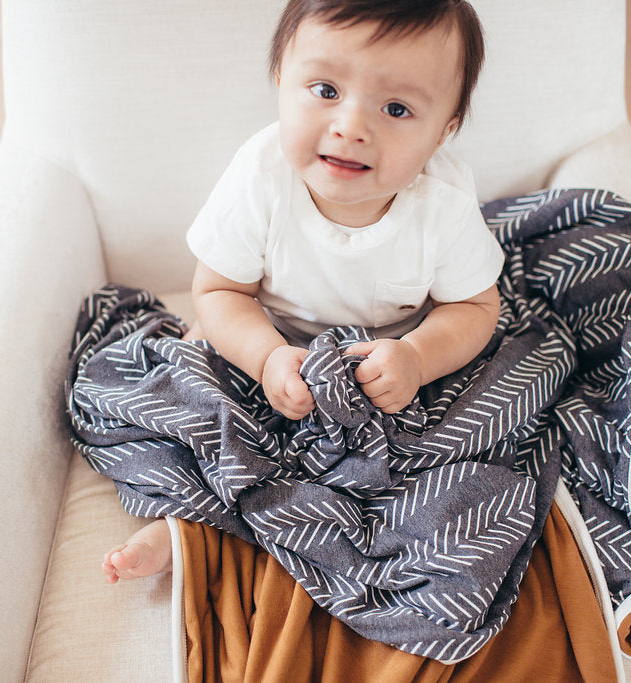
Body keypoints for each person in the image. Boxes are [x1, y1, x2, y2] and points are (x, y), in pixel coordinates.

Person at [103, 0, 503, 583]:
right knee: (188, 397)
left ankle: (361, 540)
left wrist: (418, 357)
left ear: (445, 131)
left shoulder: (443, 204)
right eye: (324, 89)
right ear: (280, 82)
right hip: (265, 349)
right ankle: (181, 526)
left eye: (396, 108)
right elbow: (217, 292)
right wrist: (264, 358)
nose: (351, 127)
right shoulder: (262, 177)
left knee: (463, 451)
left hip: (390, 375)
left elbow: (474, 306)